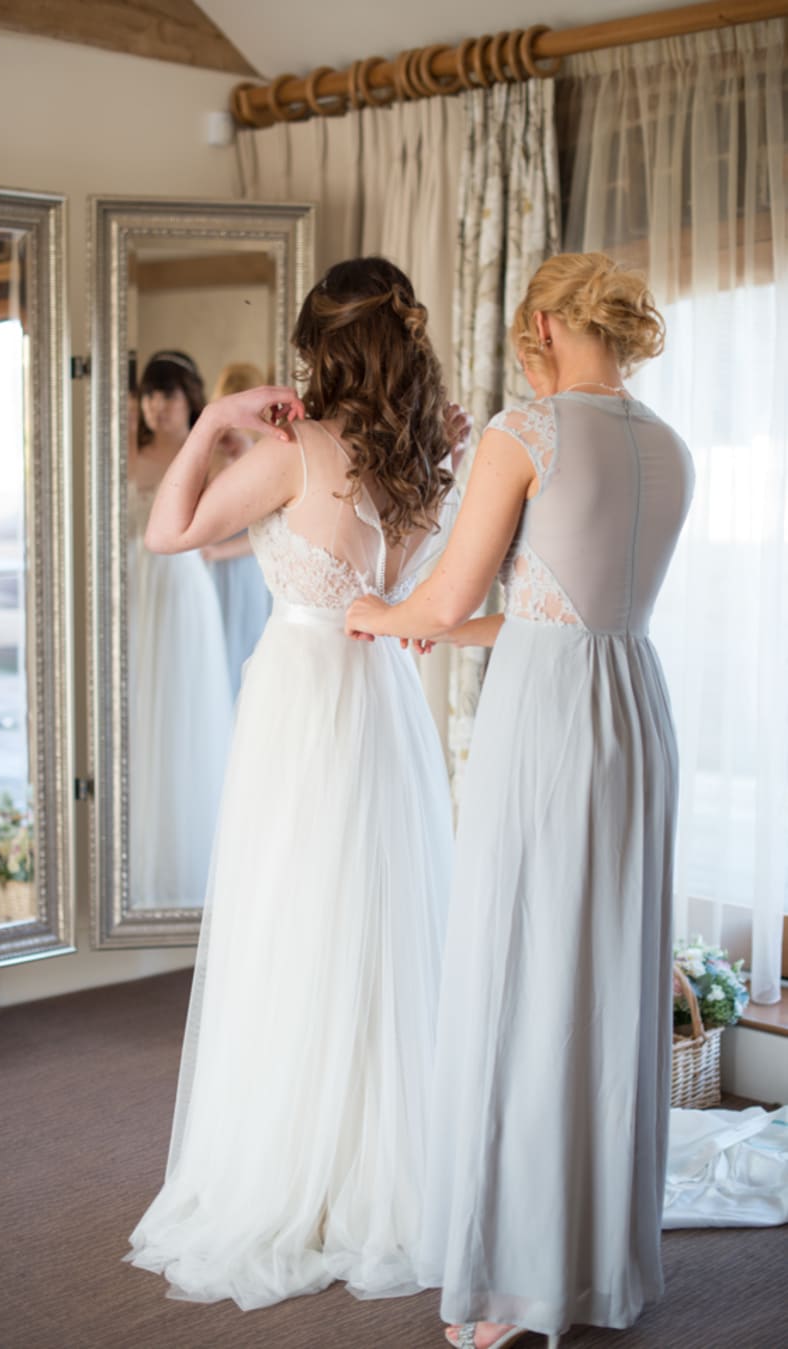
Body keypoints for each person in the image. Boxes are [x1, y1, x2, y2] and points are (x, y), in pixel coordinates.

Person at [347, 253, 695, 1349]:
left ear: (541, 324)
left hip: (548, 726)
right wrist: (436, 616)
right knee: (605, 968)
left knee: (524, 966)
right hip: (632, 703)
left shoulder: (524, 430)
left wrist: (368, 611)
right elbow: (568, 613)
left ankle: (509, 1278)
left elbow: (451, 599)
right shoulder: (671, 446)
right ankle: (594, 1254)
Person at [125, 258, 465, 1309]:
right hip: (381, 705)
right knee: (379, 923)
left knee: (292, 924)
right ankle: (386, 1160)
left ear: (324, 350)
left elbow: (167, 529)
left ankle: (294, 1164)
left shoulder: (293, 451)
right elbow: (418, 592)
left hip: (300, 706)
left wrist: (217, 416)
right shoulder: (430, 457)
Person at [126, 350, 232, 909]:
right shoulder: (128, 453)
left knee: (182, 712)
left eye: (166, 394)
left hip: (182, 590)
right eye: (148, 394)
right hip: (135, 591)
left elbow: (258, 522)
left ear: (189, 398)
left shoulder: (210, 458)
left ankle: (185, 864)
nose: (155, 405)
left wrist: (219, 548)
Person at [201, 361, 273, 697]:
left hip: (246, 569)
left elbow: (267, 533)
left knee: (244, 647)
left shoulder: (264, 456)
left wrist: (218, 552)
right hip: (210, 569)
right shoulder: (209, 455)